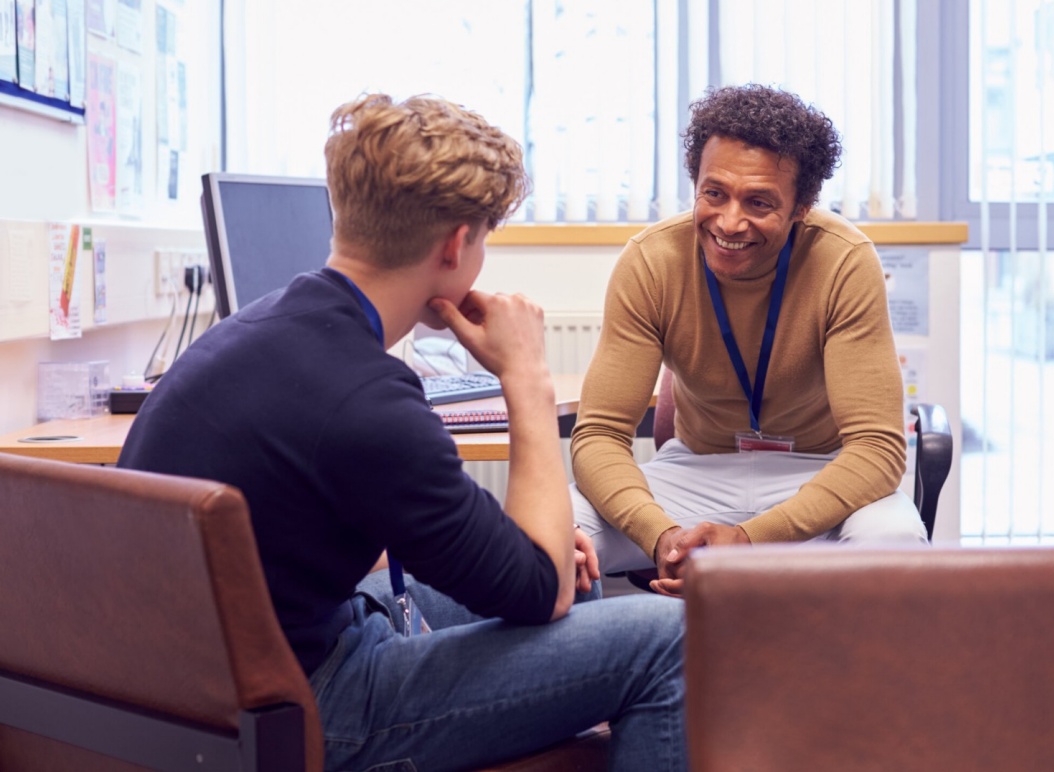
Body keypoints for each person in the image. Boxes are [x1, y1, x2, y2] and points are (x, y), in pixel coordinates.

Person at [119, 93, 686, 771]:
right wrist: (527, 379)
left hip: (195, 687)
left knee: (579, 576)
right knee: (669, 636)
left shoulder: (259, 328)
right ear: (456, 244)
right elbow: (541, 591)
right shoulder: (366, 401)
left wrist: (530, 557)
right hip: (307, 708)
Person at [571, 84, 928, 597]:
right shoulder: (651, 261)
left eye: (759, 202)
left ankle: (844, 680)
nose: (730, 221)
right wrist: (663, 537)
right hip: (696, 473)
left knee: (894, 543)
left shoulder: (844, 261)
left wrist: (751, 539)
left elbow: (876, 450)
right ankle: (609, 671)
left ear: (802, 206)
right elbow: (599, 435)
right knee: (554, 532)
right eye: (714, 193)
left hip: (818, 473)